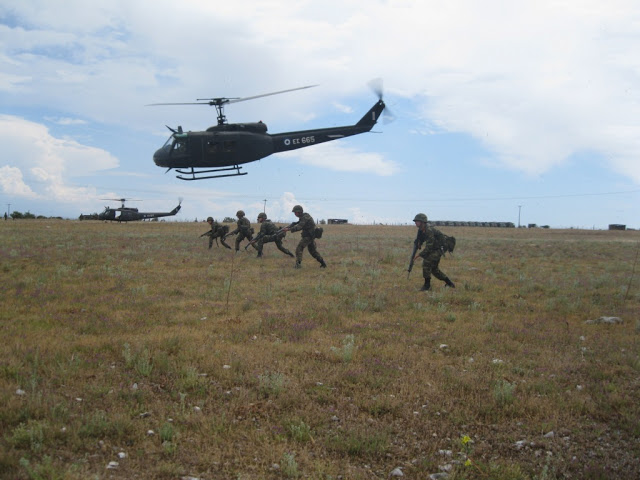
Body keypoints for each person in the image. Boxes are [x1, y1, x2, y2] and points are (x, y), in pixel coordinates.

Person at [412, 213, 455, 291]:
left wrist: (419, 255)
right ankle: (449, 283)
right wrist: (419, 243)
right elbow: (421, 239)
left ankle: (427, 286)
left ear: (422, 222)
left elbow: (429, 247)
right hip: (434, 248)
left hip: (439, 249)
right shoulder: (421, 230)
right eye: (415, 221)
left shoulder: (429, 230)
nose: (415, 223)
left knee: (426, 262)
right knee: (434, 270)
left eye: (417, 221)